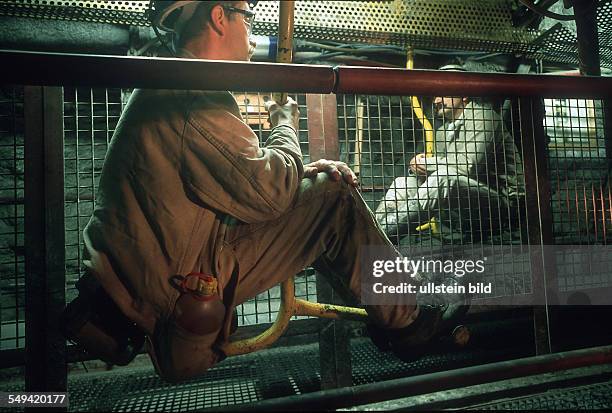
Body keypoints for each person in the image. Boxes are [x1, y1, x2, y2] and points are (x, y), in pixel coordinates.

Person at [60, 1, 467, 382]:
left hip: (160, 279)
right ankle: (410, 323)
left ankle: (394, 312)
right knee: (334, 196)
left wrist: (302, 171)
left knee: (321, 187)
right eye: (248, 17)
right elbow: (271, 191)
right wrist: (284, 121)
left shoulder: (172, 84)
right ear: (220, 18)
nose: (253, 33)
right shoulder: (191, 94)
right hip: (170, 292)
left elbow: (230, 183)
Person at [375, 64, 525, 241]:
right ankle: (372, 230)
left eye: (443, 93)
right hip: (464, 208)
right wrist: (417, 168)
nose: (436, 100)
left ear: (464, 94)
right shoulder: (441, 132)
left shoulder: (484, 117)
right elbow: (438, 175)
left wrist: (427, 163)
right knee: (402, 184)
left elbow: (467, 166)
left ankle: (382, 235)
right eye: (435, 95)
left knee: (443, 178)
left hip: (502, 208)